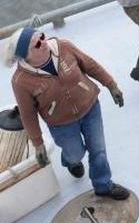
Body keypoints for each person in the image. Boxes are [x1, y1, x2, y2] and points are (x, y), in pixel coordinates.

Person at [6, 27, 131, 200]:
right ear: (25, 56)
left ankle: (104, 186)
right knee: (75, 153)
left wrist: (111, 85)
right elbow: (28, 114)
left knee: (98, 150)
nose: (43, 42)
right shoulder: (20, 81)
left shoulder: (64, 47)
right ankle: (71, 161)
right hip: (61, 123)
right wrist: (38, 144)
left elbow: (90, 65)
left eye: (41, 36)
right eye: (36, 44)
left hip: (90, 107)